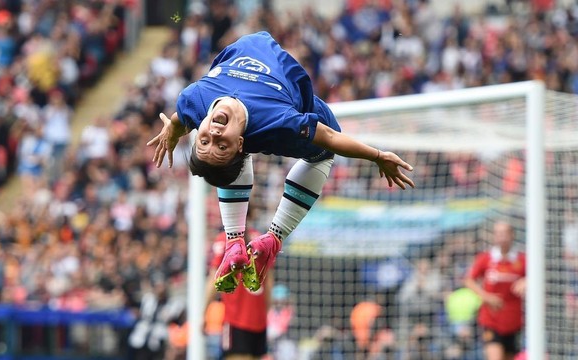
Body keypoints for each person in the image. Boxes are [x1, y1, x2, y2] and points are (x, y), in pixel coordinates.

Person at [148, 31, 415, 293]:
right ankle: (273, 238)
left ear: (197, 128)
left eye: (204, 141)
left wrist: (173, 130)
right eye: (221, 144)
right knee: (321, 157)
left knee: (225, 162)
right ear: (239, 142)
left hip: (254, 71)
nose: (214, 135)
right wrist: (377, 156)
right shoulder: (279, 121)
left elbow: (179, 118)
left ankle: (235, 245)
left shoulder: (192, 101)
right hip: (305, 117)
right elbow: (331, 136)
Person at [205, 227, 272, 360]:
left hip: (235, 320)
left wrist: (203, 313)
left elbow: (214, 280)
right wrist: (266, 312)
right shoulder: (262, 239)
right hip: (259, 322)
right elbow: (269, 281)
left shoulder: (225, 239)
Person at [464, 221, 526, 360]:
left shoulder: (522, 259)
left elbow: (537, 274)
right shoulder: (486, 258)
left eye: (505, 233)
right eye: (498, 233)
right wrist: (485, 296)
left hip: (513, 322)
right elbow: (469, 280)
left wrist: (527, 280)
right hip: (491, 320)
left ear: (512, 235)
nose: (502, 237)